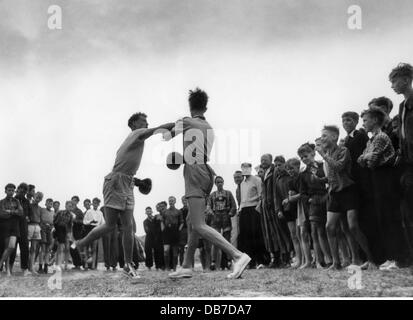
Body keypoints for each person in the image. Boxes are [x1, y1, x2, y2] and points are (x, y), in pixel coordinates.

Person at [71, 112, 173, 280]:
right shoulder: (136, 133)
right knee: (110, 225)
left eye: (147, 122)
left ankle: (128, 265)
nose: (146, 124)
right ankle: (81, 243)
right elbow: (157, 130)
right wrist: (178, 123)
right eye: (143, 122)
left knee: (128, 227)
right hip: (116, 181)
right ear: (133, 125)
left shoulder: (135, 138)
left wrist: (137, 182)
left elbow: (127, 164)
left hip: (127, 181)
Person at [165, 88, 251, 279]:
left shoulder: (187, 121)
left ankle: (238, 256)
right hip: (205, 171)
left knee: (198, 223)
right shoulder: (209, 126)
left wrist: (170, 126)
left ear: (190, 106)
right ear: (205, 107)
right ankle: (187, 265)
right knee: (191, 222)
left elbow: (167, 135)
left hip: (194, 171)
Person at [316, 125, 376, 270]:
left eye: (325, 136)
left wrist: (324, 155)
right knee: (330, 227)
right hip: (334, 193)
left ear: (334, 137)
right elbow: (332, 174)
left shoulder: (343, 150)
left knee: (353, 226)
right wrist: (322, 180)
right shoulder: (327, 153)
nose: (322, 138)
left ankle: (371, 259)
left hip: (348, 191)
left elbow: (339, 167)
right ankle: (336, 263)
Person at [358, 107, 407, 270]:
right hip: (377, 179)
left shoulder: (380, 137)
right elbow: (361, 160)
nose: (363, 123)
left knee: (390, 219)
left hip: (385, 179)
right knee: (382, 219)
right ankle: (391, 256)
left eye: (365, 120)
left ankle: (399, 258)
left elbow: (371, 162)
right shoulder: (370, 140)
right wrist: (366, 157)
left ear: (375, 120)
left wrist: (366, 158)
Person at [389, 62, 413, 269]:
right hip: (407, 163)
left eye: (394, 81)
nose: (392, 86)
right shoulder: (402, 106)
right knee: (408, 211)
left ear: (406, 79)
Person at [296, 144, 332, 269]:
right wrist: (309, 200)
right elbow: (302, 192)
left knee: (330, 229)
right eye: (301, 158)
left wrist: (327, 194)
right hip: (314, 203)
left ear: (313, 153)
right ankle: (322, 260)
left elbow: (329, 180)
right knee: (317, 231)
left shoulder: (323, 166)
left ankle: (335, 257)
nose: (304, 159)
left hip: (327, 198)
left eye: (305, 156)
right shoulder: (303, 174)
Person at [236, 163, 267, 269]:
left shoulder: (257, 180)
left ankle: (261, 260)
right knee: (245, 236)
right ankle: (251, 261)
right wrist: (240, 209)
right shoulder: (242, 183)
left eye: (247, 168)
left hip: (254, 209)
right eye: (243, 168)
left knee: (256, 235)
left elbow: (261, 196)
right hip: (244, 210)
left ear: (250, 168)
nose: (245, 170)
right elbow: (242, 199)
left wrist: (257, 209)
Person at [259, 154, 285, 268]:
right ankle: (275, 258)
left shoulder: (274, 171)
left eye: (265, 160)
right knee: (268, 233)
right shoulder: (263, 173)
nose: (263, 162)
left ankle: (284, 258)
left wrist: (276, 205)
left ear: (271, 161)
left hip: (274, 206)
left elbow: (276, 189)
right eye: (261, 160)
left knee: (278, 231)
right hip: (265, 207)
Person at [207, 176, 237, 270]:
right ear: (215, 184)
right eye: (218, 182)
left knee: (227, 240)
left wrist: (231, 213)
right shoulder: (212, 195)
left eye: (221, 182)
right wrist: (211, 213)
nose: (219, 183)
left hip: (225, 216)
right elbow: (208, 206)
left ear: (223, 182)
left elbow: (234, 205)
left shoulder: (228, 193)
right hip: (216, 218)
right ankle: (213, 262)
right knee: (215, 240)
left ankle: (228, 261)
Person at [0, 184, 23, 276]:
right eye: (9, 190)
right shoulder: (1, 202)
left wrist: (10, 212)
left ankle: (0, 262)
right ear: (5, 191)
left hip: (14, 225)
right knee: (6, 247)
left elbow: (21, 212)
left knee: (12, 246)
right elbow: (2, 214)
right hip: (5, 226)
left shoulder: (16, 201)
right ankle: (8, 270)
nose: (11, 192)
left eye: (12, 190)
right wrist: (14, 212)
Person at [284, 158, 303, 268]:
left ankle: (305, 259)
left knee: (301, 234)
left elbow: (298, 194)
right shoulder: (290, 181)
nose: (290, 171)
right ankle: (299, 259)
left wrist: (291, 197)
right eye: (288, 169)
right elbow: (291, 195)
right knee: (294, 235)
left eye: (291, 168)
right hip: (290, 208)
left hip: (299, 207)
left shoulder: (301, 177)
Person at [10, 183, 31, 276]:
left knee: (25, 248)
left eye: (25, 191)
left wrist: (27, 217)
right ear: (18, 189)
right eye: (21, 189)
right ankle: (9, 268)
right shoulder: (11, 199)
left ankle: (24, 269)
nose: (23, 192)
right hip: (13, 227)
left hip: (23, 227)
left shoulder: (27, 201)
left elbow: (28, 214)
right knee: (12, 248)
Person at [160, 198, 183, 271]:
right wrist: (163, 229)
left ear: (175, 201)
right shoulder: (165, 212)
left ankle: (175, 268)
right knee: (166, 251)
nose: (171, 202)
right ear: (168, 202)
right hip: (166, 231)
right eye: (170, 201)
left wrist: (178, 230)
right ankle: (167, 267)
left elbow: (182, 222)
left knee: (175, 253)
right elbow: (162, 221)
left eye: (172, 201)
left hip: (175, 231)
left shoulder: (178, 211)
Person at [83, 197, 105, 270]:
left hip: (96, 229)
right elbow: (84, 221)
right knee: (87, 247)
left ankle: (93, 265)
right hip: (89, 229)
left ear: (98, 204)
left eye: (97, 203)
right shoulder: (89, 211)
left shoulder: (100, 213)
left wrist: (99, 227)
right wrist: (91, 221)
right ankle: (86, 265)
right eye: (94, 203)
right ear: (92, 203)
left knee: (94, 248)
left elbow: (103, 223)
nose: (95, 204)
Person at [53, 201, 74, 271]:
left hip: (66, 231)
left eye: (71, 206)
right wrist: (56, 232)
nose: (70, 207)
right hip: (59, 230)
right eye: (69, 206)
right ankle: (58, 264)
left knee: (67, 248)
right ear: (65, 206)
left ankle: (66, 265)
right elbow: (55, 222)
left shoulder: (71, 215)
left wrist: (69, 234)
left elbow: (70, 225)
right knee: (60, 247)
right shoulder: (60, 212)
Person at [143, 206, 164, 270]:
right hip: (149, 237)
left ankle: (158, 266)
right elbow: (147, 230)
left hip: (156, 237)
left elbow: (159, 228)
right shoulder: (145, 221)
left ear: (152, 211)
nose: (149, 212)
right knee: (148, 251)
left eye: (150, 211)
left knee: (157, 252)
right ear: (146, 213)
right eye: (147, 211)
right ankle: (149, 266)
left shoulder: (156, 218)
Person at [28, 192, 43, 274]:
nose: (38, 199)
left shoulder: (40, 208)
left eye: (40, 198)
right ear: (34, 196)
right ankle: (26, 266)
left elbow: (40, 218)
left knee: (34, 248)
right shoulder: (29, 205)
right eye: (37, 197)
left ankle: (31, 267)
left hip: (37, 226)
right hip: (29, 225)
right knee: (26, 247)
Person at [39, 198, 54, 274]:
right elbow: (40, 219)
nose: (50, 204)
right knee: (43, 249)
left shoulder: (53, 212)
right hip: (43, 229)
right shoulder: (42, 210)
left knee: (48, 249)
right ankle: (40, 266)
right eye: (48, 203)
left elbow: (53, 222)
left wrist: (52, 227)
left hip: (50, 230)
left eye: (51, 203)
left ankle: (46, 266)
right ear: (45, 203)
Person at [70, 196, 85, 270]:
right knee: (71, 249)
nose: (73, 202)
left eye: (75, 200)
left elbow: (82, 222)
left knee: (75, 248)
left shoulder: (79, 211)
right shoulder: (69, 210)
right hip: (69, 233)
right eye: (72, 200)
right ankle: (76, 264)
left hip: (77, 233)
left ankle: (80, 264)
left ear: (77, 202)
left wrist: (74, 221)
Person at [232, 171, 244, 248]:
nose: (237, 179)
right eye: (235, 177)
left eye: (239, 177)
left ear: (243, 177)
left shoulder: (245, 186)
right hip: (241, 212)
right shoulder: (237, 189)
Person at [177, 196, 189, 267]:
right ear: (181, 201)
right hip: (182, 230)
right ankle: (181, 264)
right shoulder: (180, 211)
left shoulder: (191, 209)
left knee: (190, 248)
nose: (184, 201)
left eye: (185, 200)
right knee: (181, 248)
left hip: (190, 229)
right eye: (183, 200)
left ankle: (190, 265)